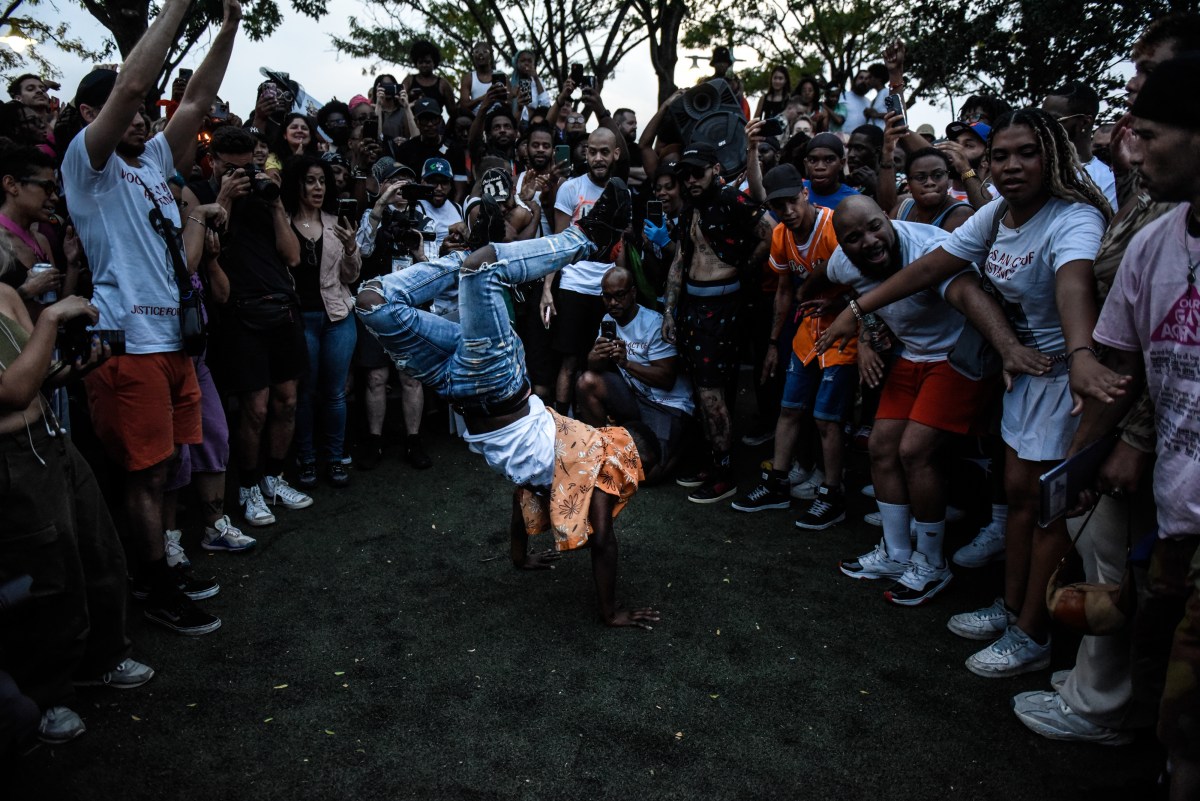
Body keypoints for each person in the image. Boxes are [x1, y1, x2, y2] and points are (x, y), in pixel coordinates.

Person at [817, 108, 1120, 677]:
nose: (1009, 166)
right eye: (1000, 155)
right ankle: (1010, 611)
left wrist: (1080, 355)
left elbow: (1075, 282)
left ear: (1052, 155)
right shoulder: (1000, 216)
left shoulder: (1072, 218)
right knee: (1019, 499)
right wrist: (861, 316)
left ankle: (1032, 634)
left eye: (1025, 152)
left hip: (1066, 374)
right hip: (1025, 375)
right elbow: (929, 269)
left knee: (1047, 511)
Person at [357, 182, 659, 627]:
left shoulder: (591, 473)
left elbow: (598, 540)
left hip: (457, 386)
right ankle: (587, 237)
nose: (612, 436)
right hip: (496, 381)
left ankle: (487, 256)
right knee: (483, 270)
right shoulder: (578, 452)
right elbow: (539, 511)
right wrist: (526, 561)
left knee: (372, 302)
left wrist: (607, 610)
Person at [60, 0, 242, 636]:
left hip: (174, 343)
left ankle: (162, 564)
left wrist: (227, 27)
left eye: (141, 113)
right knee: (142, 474)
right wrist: (182, 5)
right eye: (122, 108)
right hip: (127, 347)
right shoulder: (91, 165)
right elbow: (138, 81)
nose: (139, 113)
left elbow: (194, 102)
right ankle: (155, 588)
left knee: (166, 469)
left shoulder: (152, 167)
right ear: (91, 115)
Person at [1067, 56, 1200, 796]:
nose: (1130, 151)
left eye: (1147, 133)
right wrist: (1079, 468)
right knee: (1171, 703)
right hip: (1177, 516)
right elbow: (1120, 373)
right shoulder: (1154, 242)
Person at [828, 197, 1039, 604]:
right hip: (911, 354)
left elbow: (969, 297)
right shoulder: (843, 261)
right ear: (842, 243)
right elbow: (849, 292)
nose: (869, 241)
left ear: (888, 219)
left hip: (955, 355)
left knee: (915, 451)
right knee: (881, 447)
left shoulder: (926, 249)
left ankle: (930, 564)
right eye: (854, 237)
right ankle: (896, 552)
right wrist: (869, 333)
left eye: (875, 226)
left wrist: (1008, 348)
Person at [0, 283, 156, 744]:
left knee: (96, 548)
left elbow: (40, 373)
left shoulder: (5, 293)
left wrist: (77, 365)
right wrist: (50, 319)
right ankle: (46, 694)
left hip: (51, 436)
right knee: (45, 574)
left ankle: (103, 660)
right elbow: (11, 391)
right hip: (10, 456)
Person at [731, 164, 853, 525]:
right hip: (806, 334)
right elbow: (784, 291)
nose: (786, 211)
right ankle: (778, 483)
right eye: (777, 205)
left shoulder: (836, 225)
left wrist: (842, 308)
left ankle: (833, 493)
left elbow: (868, 281)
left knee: (827, 419)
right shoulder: (782, 235)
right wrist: (772, 342)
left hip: (845, 331)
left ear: (804, 191)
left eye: (790, 201)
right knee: (789, 408)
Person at [204, 125, 314, 526]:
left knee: (286, 401)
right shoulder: (203, 197)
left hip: (281, 306)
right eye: (230, 168)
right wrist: (224, 198)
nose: (240, 175)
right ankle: (248, 486)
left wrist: (276, 204)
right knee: (255, 407)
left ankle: (274, 478)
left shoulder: (266, 195)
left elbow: (292, 257)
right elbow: (209, 246)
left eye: (245, 167)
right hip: (238, 312)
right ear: (214, 162)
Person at [662, 140, 772, 503]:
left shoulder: (731, 200)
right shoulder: (690, 208)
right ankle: (713, 462)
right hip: (693, 308)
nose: (691, 180)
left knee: (712, 394)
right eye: (685, 175)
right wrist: (669, 311)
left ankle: (726, 473)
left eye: (698, 173)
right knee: (701, 390)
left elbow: (770, 233)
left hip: (723, 309)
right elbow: (680, 260)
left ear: (716, 170)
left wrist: (744, 270)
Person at [281, 155, 360, 488]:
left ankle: (335, 457)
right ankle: (307, 457)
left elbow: (351, 275)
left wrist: (351, 246)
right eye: (310, 180)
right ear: (298, 183)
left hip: (337, 315)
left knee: (335, 393)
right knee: (305, 393)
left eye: (322, 181)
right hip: (299, 318)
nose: (317, 187)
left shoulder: (335, 223)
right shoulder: (282, 222)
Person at [354, 158, 435, 470]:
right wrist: (378, 209)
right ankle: (374, 442)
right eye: (394, 181)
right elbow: (361, 251)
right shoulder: (369, 215)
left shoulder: (423, 219)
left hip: (410, 307)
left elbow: (433, 270)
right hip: (375, 305)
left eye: (406, 181)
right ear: (381, 186)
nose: (401, 187)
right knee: (376, 376)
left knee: (410, 377)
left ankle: (413, 441)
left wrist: (420, 254)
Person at [576, 266, 693, 483]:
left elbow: (666, 380)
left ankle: (686, 442)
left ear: (633, 293)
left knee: (648, 475)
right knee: (586, 381)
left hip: (668, 405)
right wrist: (596, 354)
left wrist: (625, 362)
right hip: (637, 397)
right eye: (607, 297)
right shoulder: (607, 321)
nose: (612, 303)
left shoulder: (654, 324)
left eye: (619, 295)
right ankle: (603, 448)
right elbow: (592, 366)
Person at [545, 127, 624, 413]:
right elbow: (557, 243)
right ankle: (561, 424)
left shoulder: (619, 189)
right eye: (593, 152)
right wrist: (546, 290)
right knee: (568, 361)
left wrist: (625, 289)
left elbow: (622, 242)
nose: (598, 158)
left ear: (615, 153)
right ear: (586, 153)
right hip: (574, 284)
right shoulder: (571, 188)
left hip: (607, 289)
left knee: (603, 359)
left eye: (605, 152)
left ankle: (592, 423)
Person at [1041, 82, 1118, 211]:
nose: (1043, 127)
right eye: (1041, 120)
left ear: (1084, 122)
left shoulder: (1107, 183)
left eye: (1053, 120)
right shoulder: (1033, 168)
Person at [396, 98, 469, 202]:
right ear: (417, 122)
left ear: (440, 120)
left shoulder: (455, 149)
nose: (430, 124)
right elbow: (401, 187)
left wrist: (453, 210)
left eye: (434, 119)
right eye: (425, 120)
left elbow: (460, 191)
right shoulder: (406, 150)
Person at [890, 148, 974, 232]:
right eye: (920, 177)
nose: (930, 182)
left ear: (948, 179)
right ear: (909, 184)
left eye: (938, 175)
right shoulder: (901, 210)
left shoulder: (962, 213)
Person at [803, 133, 858, 210]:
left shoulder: (854, 200)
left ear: (842, 163)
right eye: (812, 160)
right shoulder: (796, 193)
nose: (819, 167)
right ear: (806, 163)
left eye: (828, 160)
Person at [401, 39, 456, 113]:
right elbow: (399, 104)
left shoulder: (443, 84)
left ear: (434, 62)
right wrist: (409, 95)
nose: (424, 65)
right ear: (416, 63)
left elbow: (453, 112)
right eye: (421, 62)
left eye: (427, 62)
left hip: (436, 124)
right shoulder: (409, 81)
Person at [264, 112, 319, 184]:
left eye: (304, 128)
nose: (300, 130)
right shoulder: (274, 158)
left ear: (310, 135)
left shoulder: (320, 156)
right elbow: (274, 186)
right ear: (285, 135)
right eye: (294, 127)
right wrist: (295, 161)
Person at [459, 41, 497, 116]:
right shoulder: (468, 78)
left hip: (497, 118)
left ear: (490, 55)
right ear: (473, 56)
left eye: (485, 51)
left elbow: (508, 103)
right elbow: (464, 106)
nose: (480, 53)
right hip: (475, 118)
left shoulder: (500, 75)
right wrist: (483, 98)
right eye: (476, 52)